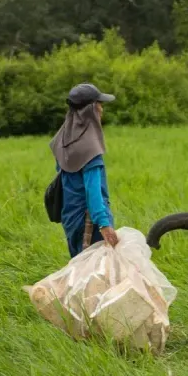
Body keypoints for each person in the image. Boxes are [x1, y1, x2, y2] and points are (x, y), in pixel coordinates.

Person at [50, 83, 120, 257]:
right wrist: (104, 224)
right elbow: (92, 190)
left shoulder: (64, 138)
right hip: (89, 223)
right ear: (90, 110)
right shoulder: (90, 148)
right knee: (95, 276)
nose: (102, 109)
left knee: (79, 269)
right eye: (99, 104)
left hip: (70, 218)